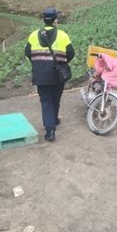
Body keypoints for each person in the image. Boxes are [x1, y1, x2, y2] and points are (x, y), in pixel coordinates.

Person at [25, 8, 75, 141]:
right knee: (55, 98)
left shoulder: (33, 35)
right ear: (55, 20)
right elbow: (71, 54)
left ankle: (50, 129)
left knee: (46, 101)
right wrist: (61, 62)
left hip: (40, 74)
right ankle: (53, 123)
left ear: (44, 20)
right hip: (57, 74)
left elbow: (28, 52)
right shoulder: (63, 35)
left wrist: (38, 63)